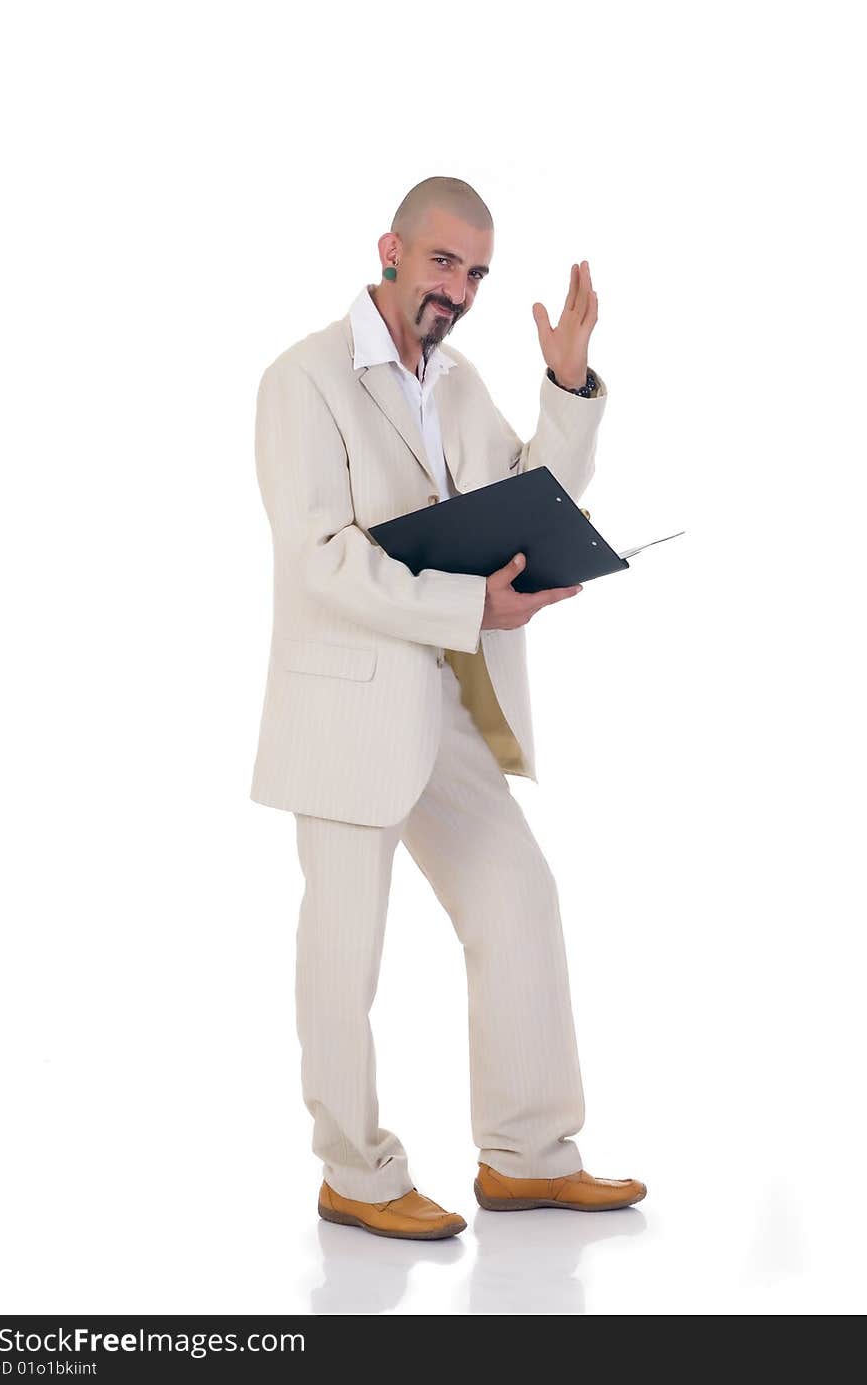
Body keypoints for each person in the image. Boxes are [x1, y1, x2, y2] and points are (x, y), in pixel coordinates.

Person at [250, 176, 646, 1240]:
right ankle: (357, 1174)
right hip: (346, 711)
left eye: (475, 271)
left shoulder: (459, 378)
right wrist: (475, 602)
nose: (458, 288)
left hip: (447, 699)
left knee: (517, 902)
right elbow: (320, 559)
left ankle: (525, 1155)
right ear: (390, 248)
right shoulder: (302, 381)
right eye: (442, 263)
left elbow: (530, 492)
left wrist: (566, 386)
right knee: (345, 952)